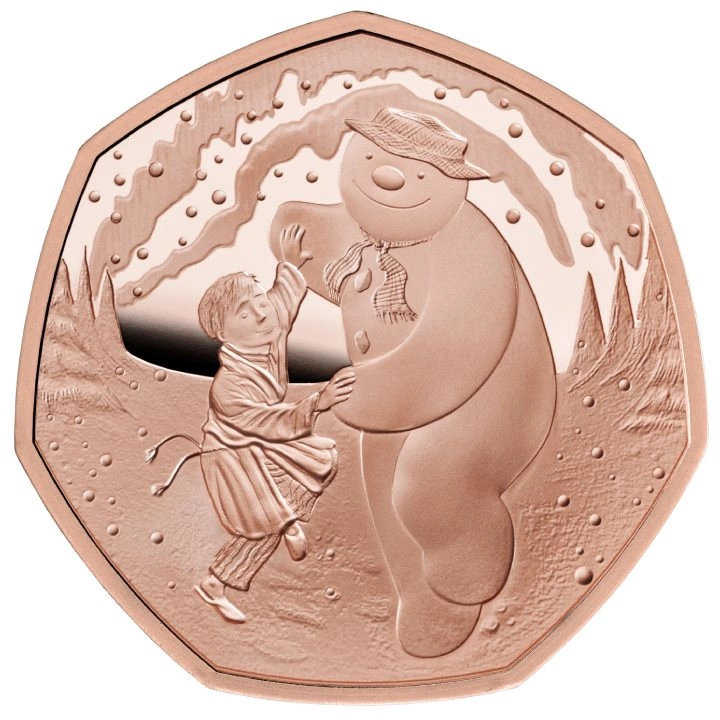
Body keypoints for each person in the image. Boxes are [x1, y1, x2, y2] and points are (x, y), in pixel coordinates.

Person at [147, 235, 354, 623]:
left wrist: (289, 263)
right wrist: (318, 402)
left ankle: (283, 522)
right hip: (232, 456)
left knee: (321, 460)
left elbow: (284, 298)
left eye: (260, 302)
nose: (261, 314)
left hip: (264, 444)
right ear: (223, 334)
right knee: (259, 525)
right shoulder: (228, 387)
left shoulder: (268, 330)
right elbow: (268, 424)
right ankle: (219, 580)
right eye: (245, 314)